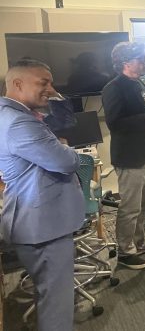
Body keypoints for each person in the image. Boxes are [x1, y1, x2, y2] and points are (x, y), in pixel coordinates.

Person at [0, 59, 85, 331]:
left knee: (48, 292)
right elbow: (67, 162)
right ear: (17, 84)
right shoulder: (18, 123)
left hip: (39, 221)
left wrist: (53, 96)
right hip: (43, 225)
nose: (50, 88)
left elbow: (66, 123)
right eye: (43, 82)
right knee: (56, 302)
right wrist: (67, 149)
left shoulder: (18, 114)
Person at [102, 42, 145, 269]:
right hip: (130, 157)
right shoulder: (114, 87)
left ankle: (139, 243)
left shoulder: (139, 82)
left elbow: (144, 114)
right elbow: (115, 123)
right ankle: (125, 251)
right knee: (130, 206)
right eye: (141, 58)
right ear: (126, 62)